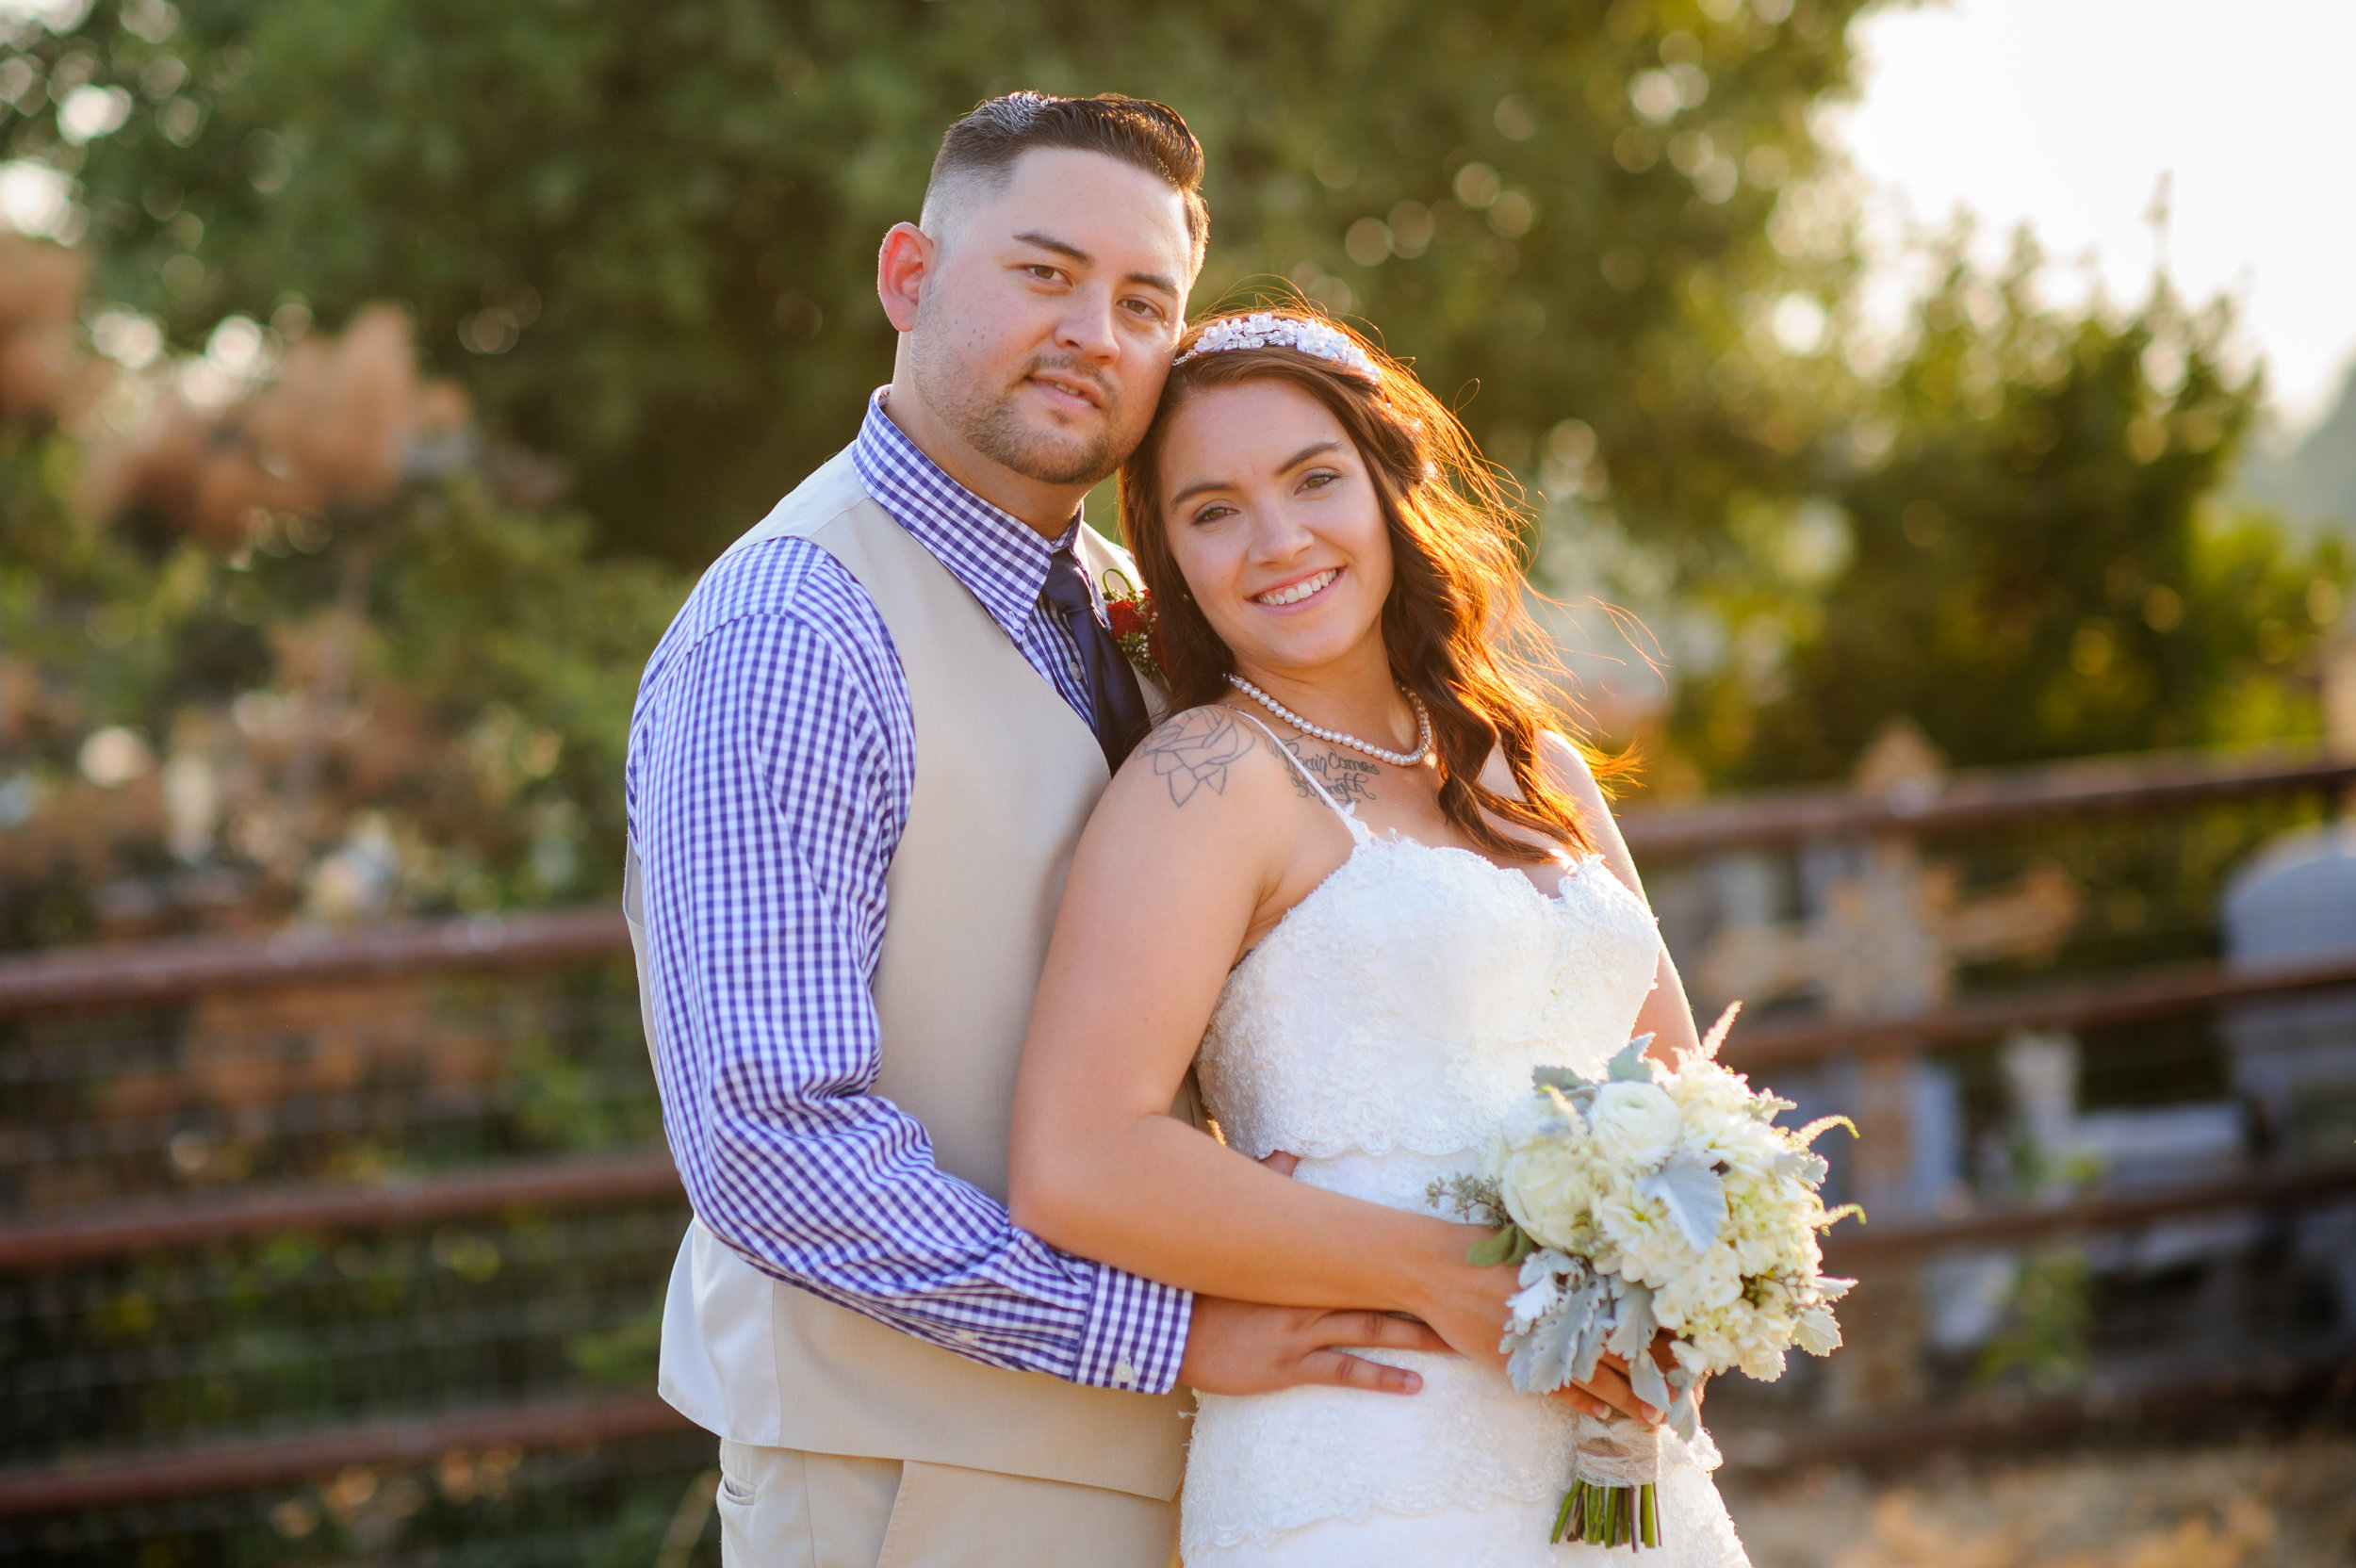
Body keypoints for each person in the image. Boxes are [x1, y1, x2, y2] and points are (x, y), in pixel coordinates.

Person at [626, 94, 1517, 1568]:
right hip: (917, 1486)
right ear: (909, 276)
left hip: (1227, 1468)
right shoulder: (797, 627)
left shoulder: (1145, 602)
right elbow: (770, 1137)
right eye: (1043, 273)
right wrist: (1167, 1330)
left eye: (1142, 300)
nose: (1094, 331)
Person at [1007, 308, 1753, 1565]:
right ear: (1171, 558)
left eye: (1313, 481)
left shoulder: (1540, 770)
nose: (1278, 540)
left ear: (1389, 486)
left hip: (1610, 1457)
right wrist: (1452, 1276)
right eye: (1213, 510)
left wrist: (1686, 1293)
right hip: (1367, 1456)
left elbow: (1691, 1103)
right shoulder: (1204, 779)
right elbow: (1077, 1158)